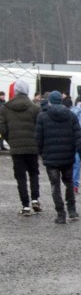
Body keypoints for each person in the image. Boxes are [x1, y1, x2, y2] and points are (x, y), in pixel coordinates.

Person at [36, 91, 81, 224]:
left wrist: (41, 153)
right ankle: (72, 210)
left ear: (50, 101)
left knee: (55, 186)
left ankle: (61, 214)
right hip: (67, 155)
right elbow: (78, 137)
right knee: (68, 182)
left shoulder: (43, 117)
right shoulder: (71, 115)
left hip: (51, 157)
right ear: (61, 101)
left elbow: (38, 138)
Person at [0, 80, 42, 216]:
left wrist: (10, 140)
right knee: (34, 173)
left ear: (16, 91)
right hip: (32, 147)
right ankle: (35, 199)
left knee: (20, 177)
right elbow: (39, 127)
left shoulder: (5, 108)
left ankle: (25, 206)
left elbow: (2, 128)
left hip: (16, 147)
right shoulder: (35, 108)